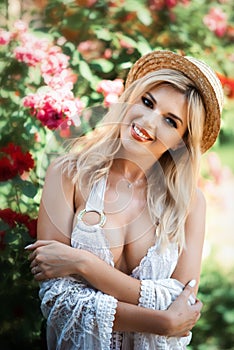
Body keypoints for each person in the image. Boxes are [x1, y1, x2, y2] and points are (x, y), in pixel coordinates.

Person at [26, 50, 223, 349]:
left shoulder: (190, 205)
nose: (148, 121)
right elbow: (59, 300)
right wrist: (163, 322)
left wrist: (82, 264)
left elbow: (181, 301)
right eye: (147, 102)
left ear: (181, 141)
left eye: (170, 121)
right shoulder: (68, 174)